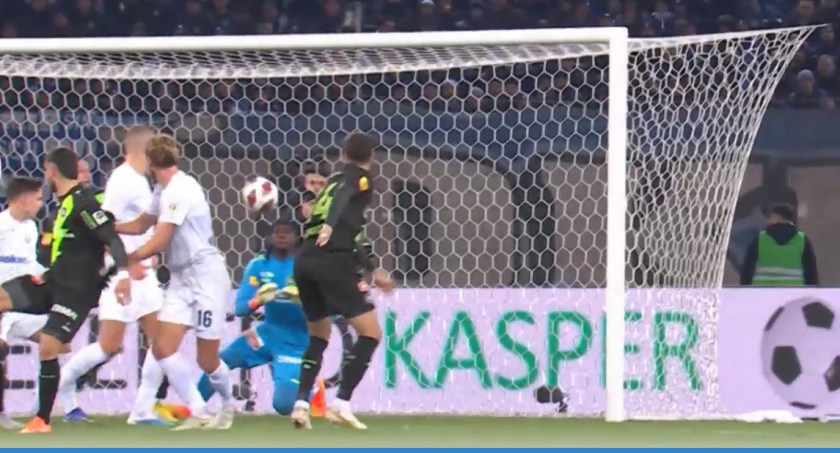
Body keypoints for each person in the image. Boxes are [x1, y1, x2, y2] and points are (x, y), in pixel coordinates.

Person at [0, 147, 132, 434]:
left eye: (46, 170)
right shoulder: (61, 207)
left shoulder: (84, 203)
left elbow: (111, 239)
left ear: (52, 170)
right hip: (52, 282)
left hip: (76, 291)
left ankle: (42, 420)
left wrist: (123, 274)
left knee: (49, 345)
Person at [55, 125, 175, 425]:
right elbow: (105, 228)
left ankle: (144, 409)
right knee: (109, 345)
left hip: (143, 275)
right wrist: (122, 266)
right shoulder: (123, 181)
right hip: (124, 276)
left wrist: (148, 251)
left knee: (161, 343)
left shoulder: (138, 180)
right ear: (145, 149)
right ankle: (64, 389)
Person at [115, 134, 233, 431]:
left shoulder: (181, 189)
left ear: (150, 162)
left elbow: (159, 240)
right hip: (181, 278)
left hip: (206, 277)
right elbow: (142, 223)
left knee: (207, 360)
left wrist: (127, 258)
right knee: (162, 347)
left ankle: (228, 404)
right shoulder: (162, 188)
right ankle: (200, 411)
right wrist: (110, 227)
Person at [290, 132, 395, 430]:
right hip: (333, 261)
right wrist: (329, 226)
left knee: (318, 335)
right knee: (371, 333)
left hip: (305, 261)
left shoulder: (333, 180)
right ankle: (341, 403)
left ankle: (301, 404)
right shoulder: (358, 178)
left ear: (343, 153)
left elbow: (349, 232)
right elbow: (343, 200)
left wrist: (372, 269)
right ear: (371, 157)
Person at [196, 221, 326, 416]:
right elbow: (240, 308)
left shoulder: (308, 265)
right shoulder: (258, 265)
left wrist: (303, 302)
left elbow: (329, 310)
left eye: (287, 232)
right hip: (266, 334)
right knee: (218, 362)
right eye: (276, 232)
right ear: (269, 237)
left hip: (295, 342)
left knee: (283, 406)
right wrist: (257, 300)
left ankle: (313, 390)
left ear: (297, 237)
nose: (281, 236)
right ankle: (194, 407)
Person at [0, 177, 48, 429]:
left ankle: (48, 407)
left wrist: (50, 275)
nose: (41, 204)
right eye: (38, 199)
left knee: (56, 343)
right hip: (3, 301)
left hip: (24, 302)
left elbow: (30, 264)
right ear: (24, 199)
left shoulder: (30, 228)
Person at [740, 203, 819, 286]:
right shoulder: (802, 240)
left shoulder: (760, 239)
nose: (769, 221)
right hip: (793, 290)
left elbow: (747, 268)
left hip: (763, 290)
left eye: (771, 217)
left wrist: (744, 288)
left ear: (777, 217)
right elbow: (811, 271)